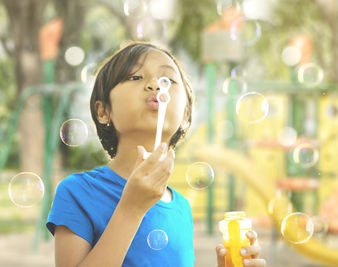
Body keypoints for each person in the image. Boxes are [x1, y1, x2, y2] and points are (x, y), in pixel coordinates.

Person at [46, 42, 266, 267]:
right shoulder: (78, 192)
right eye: (135, 77)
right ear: (103, 111)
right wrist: (131, 208)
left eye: (168, 80)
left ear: (185, 114)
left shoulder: (181, 207)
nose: (155, 85)